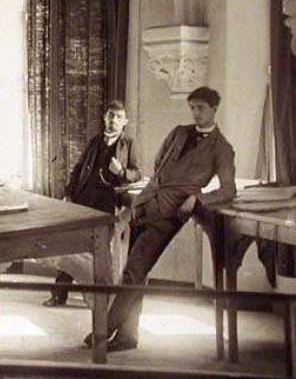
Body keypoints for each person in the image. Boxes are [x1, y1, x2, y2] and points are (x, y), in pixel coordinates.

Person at [88, 86, 236, 352]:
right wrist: (143, 200)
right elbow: (159, 166)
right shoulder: (179, 132)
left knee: (134, 271)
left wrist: (197, 199)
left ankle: (103, 331)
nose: (196, 113)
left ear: (214, 109)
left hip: (170, 213)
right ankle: (128, 336)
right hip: (144, 203)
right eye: (192, 107)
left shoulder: (222, 148)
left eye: (201, 108)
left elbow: (228, 190)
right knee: (135, 272)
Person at [42, 100, 140, 307]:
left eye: (118, 117)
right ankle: (59, 294)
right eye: (111, 115)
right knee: (71, 247)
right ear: (105, 118)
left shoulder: (129, 144)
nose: (113, 120)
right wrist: (69, 193)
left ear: (125, 121)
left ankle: (100, 297)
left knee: (102, 251)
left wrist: (122, 172)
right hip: (84, 200)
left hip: (108, 204)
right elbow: (78, 169)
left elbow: (137, 173)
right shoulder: (95, 141)